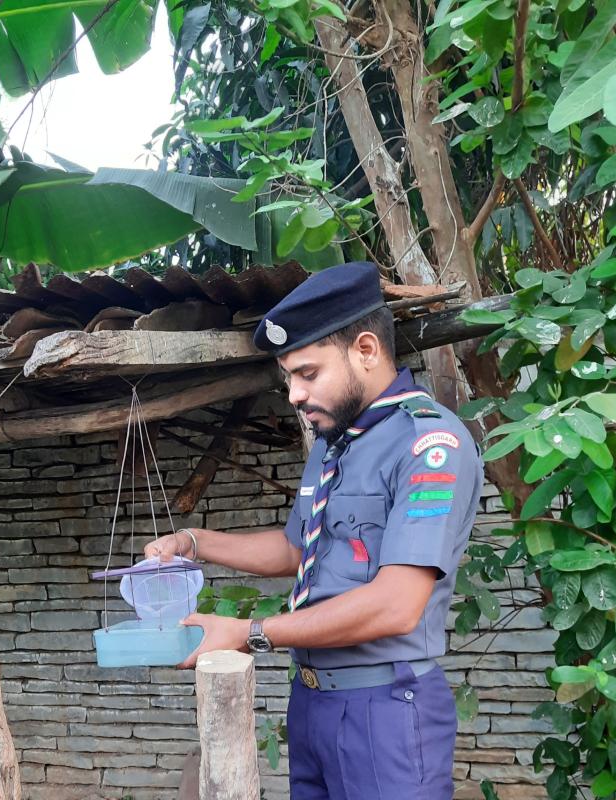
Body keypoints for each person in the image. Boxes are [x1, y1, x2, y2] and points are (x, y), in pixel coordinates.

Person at [144, 261, 484, 799]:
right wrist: (195, 542)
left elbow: (396, 604)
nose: (295, 396)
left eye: (308, 373)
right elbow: (294, 548)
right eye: (289, 380)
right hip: (311, 704)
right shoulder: (333, 443)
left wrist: (250, 632)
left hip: (386, 710)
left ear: (366, 350)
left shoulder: (429, 444)